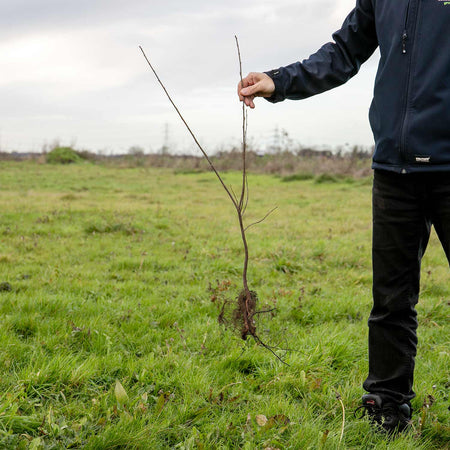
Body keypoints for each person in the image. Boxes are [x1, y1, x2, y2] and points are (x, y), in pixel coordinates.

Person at [237, 0, 450, 434]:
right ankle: (387, 408)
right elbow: (344, 51)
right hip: (395, 167)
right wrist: (278, 81)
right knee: (390, 300)